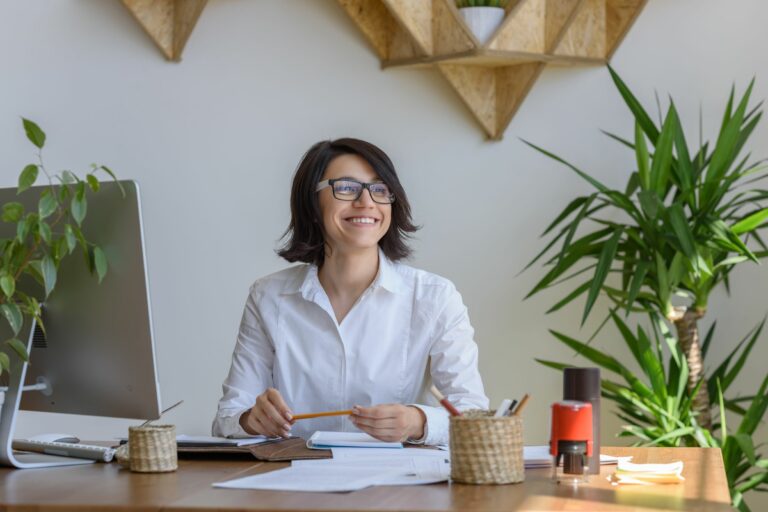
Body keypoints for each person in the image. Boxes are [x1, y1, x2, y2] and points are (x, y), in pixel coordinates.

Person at [212, 138, 488, 445]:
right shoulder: (268, 296)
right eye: (346, 187)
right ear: (312, 203)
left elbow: (472, 413)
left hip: (395, 483)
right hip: (293, 480)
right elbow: (229, 416)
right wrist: (252, 419)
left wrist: (418, 422)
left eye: (380, 189)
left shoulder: (434, 297)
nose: (367, 202)